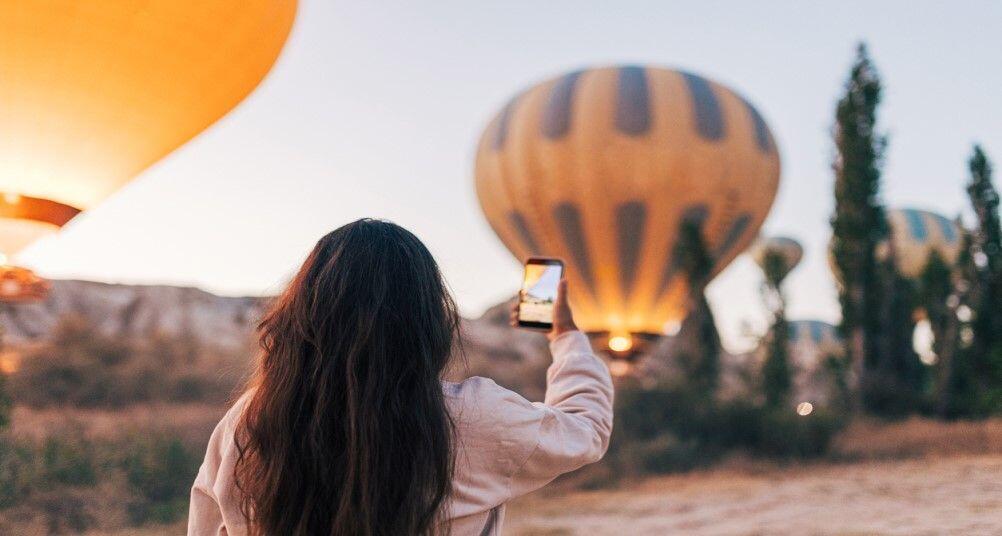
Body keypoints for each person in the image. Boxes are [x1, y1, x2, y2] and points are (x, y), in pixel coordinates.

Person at [188, 219, 613, 535]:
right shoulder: (474, 417)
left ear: (302, 314)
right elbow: (586, 427)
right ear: (427, 318)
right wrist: (566, 335)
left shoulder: (249, 422)